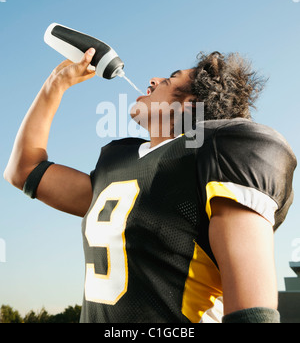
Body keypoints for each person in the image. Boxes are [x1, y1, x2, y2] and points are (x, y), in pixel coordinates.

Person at [4, 47, 297, 323]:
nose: (153, 80)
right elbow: (24, 170)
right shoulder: (116, 162)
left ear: (190, 105)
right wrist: (56, 84)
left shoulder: (217, 155)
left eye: (169, 79)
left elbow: (252, 310)